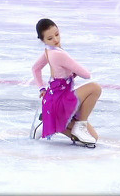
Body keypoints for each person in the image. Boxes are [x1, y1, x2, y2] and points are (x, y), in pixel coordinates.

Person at [31, 19, 101, 147]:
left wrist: (42, 88)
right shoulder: (58, 54)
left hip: (53, 101)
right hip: (60, 101)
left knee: (93, 138)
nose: (56, 40)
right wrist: (73, 70)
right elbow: (86, 74)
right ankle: (79, 125)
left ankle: (47, 121)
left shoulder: (49, 51)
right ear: (43, 40)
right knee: (95, 88)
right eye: (50, 38)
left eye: (57, 34)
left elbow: (35, 69)